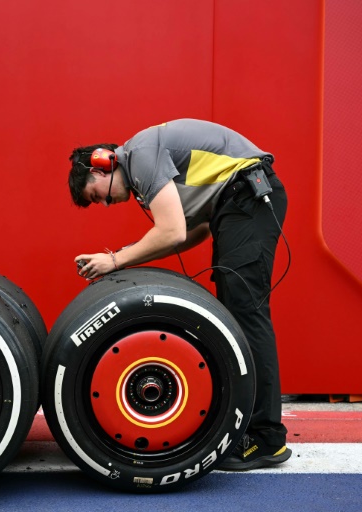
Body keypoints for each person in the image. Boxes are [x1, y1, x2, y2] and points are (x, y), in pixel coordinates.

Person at [67, 118, 290, 471]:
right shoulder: (144, 167)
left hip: (248, 198)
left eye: (98, 195)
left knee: (247, 314)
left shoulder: (139, 155)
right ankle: (250, 427)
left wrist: (114, 260)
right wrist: (123, 259)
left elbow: (171, 231)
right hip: (235, 208)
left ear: (103, 163)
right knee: (236, 313)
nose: (107, 204)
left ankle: (266, 439)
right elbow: (190, 232)